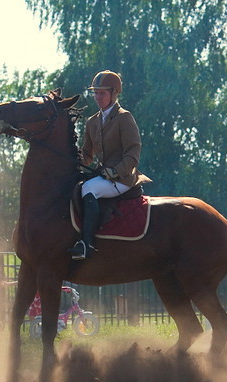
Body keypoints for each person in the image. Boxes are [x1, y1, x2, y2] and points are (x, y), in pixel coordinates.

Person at [67, 70, 152, 260]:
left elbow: (133, 152)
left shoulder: (124, 118)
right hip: (103, 175)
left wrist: (116, 171)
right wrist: (73, 160)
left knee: (88, 188)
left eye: (102, 93)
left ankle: (87, 243)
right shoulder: (92, 122)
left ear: (114, 94)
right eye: (95, 93)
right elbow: (88, 154)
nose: (97, 97)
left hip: (123, 178)